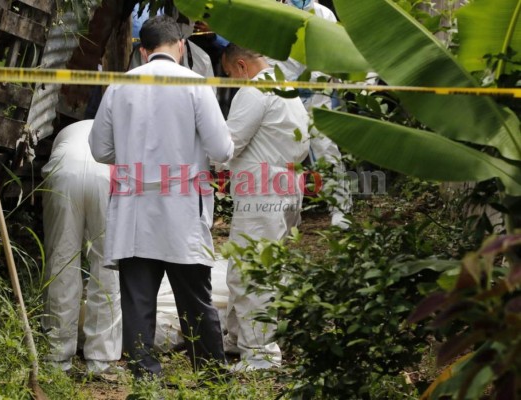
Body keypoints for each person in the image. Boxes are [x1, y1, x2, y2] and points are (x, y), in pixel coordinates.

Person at [89, 15, 234, 378]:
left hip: (133, 206)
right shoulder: (196, 84)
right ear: (181, 46)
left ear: (142, 50)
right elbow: (222, 148)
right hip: (182, 206)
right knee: (195, 295)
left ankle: (146, 378)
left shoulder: (119, 86)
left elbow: (100, 150)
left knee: (137, 299)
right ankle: (212, 374)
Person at [220, 44, 310, 371]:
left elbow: (229, 143)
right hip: (285, 183)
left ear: (241, 66)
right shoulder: (284, 84)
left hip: (262, 188)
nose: (232, 81)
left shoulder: (253, 91)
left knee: (250, 270)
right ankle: (236, 337)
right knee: (257, 266)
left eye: (230, 74)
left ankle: (259, 353)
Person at [42, 120, 122, 376]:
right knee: (107, 265)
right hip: (106, 176)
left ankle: (57, 357)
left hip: (64, 173)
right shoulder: (120, 127)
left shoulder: (67, 132)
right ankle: (100, 360)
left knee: (62, 262)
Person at [270, 0, 353, 229]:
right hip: (284, 93)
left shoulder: (322, 13)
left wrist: (314, 79)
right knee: (282, 150)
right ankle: (282, 209)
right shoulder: (274, 10)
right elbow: (269, 56)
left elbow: (331, 51)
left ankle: (340, 209)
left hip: (316, 93)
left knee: (325, 148)